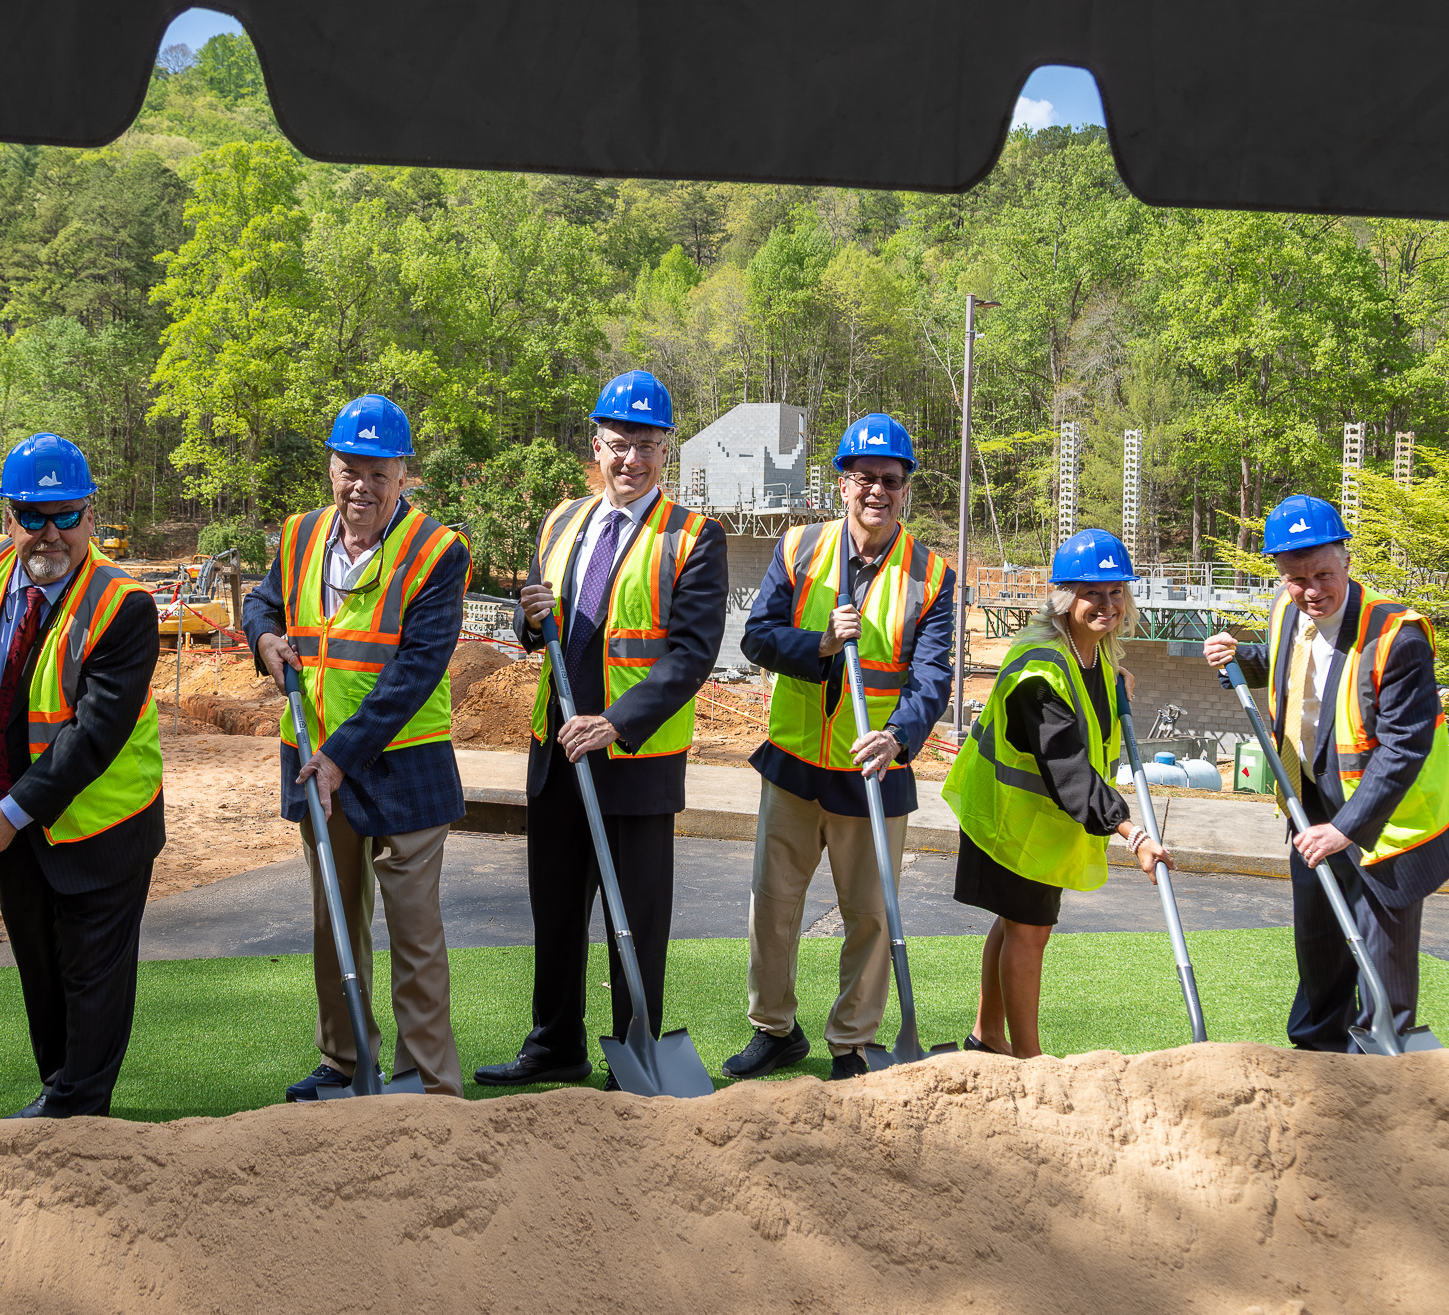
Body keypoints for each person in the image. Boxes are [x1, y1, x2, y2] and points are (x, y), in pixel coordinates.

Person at [475, 370, 728, 1090]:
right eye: (620, 445)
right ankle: (554, 1044)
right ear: (597, 444)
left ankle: (635, 1050)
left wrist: (615, 723)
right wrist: (530, 623)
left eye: (648, 446)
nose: (632, 461)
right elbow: (539, 632)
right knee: (555, 914)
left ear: (665, 451)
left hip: (634, 760)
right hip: (555, 753)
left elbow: (689, 656)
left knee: (635, 924)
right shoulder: (561, 522)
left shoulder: (694, 538)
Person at [245, 394, 472, 1100]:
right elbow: (263, 601)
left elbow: (414, 673)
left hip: (400, 767)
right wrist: (263, 639)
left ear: (404, 476)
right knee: (333, 923)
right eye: (349, 470)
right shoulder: (301, 534)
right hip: (315, 763)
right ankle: (344, 1061)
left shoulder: (438, 552)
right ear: (331, 467)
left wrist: (342, 756)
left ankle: (430, 1084)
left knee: (415, 939)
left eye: (379, 473)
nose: (361, 488)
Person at [0, 432, 164, 1118]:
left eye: (66, 515)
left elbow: (94, 735)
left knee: (92, 976)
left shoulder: (125, 607)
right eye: (33, 517)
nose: (50, 533)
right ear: (7, 520)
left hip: (100, 824)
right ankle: (59, 1090)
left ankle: (78, 1110)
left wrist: (10, 814)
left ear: (91, 516)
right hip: (12, 818)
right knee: (40, 970)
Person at [725, 413, 956, 1081]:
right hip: (794, 765)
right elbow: (759, 638)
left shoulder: (932, 577)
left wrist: (900, 736)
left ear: (905, 489)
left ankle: (851, 1042)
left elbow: (932, 679)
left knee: (870, 919)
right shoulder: (799, 549)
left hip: (872, 774)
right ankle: (774, 1028)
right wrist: (820, 645)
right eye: (864, 478)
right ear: (843, 484)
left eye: (890, 479)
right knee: (772, 907)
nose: (876, 491)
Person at [1203, 494, 1449, 1052]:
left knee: (1379, 952)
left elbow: (1404, 748)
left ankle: (1383, 1057)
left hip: (1387, 818)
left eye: (1323, 573)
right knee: (1318, 937)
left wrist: (1347, 828)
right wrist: (1243, 659)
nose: (1311, 590)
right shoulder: (1287, 610)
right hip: (1310, 798)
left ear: (1346, 558)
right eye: (1295, 578)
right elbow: (1299, 669)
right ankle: (1317, 1050)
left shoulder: (1399, 637)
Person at [940, 529, 1170, 1059]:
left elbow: (1089, 688)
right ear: (1066, 598)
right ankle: (1028, 1059)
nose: (1106, 604)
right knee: (1030, 931)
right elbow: (1067, 767)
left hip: (1033, 821)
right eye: (1093, 593)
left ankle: (987, 1037)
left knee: (1015, 922)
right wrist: (1132, 832)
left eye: (1116, 592)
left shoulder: (1090, 654)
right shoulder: (1041, 670)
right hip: (1008, 817)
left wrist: (1113, 675)